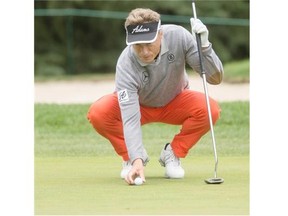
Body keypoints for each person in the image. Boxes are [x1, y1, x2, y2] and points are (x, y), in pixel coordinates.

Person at [87, 8, 224, 185]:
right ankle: (132, 158)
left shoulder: (179, 37)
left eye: (149, 43)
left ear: (160, 34)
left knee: (209, 109)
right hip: (139, 105)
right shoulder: (125, 64)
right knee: (99, 113)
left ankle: (172, 153)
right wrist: (136, 158)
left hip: (175, 100)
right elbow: (129, 118)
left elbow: (215, 78)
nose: (144, 51)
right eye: (138, 45)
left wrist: (205, 47)